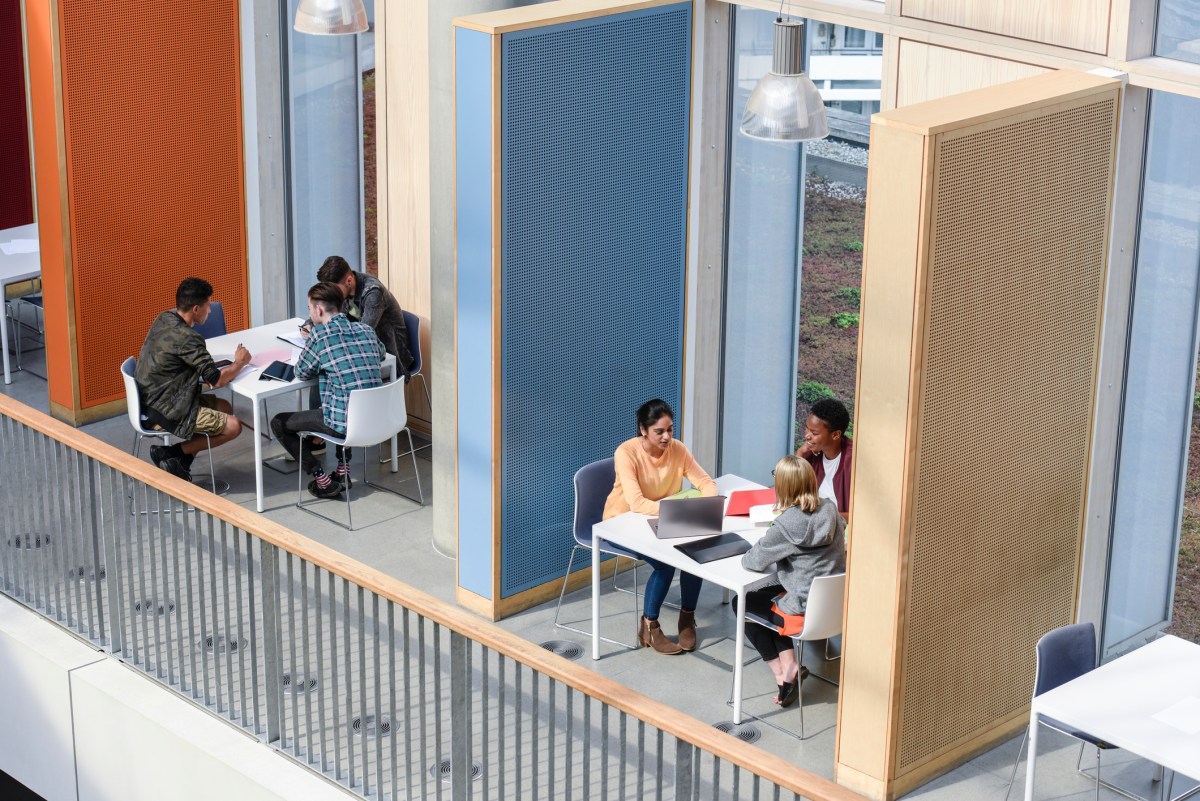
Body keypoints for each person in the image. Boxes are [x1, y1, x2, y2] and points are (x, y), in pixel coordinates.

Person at [602, 399, 717, 655]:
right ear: (643, 430)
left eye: (670, 430)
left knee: (694, 553)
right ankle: (649, 626)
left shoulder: (678, 449)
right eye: (659, 432)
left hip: (663, 518)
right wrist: (681, 511)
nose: (667, 437)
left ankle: (687, 617)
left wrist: (707, 502)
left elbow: (705, 481)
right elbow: (637, 503)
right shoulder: (626, 452)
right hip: (621, 523)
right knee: (665, 565)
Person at [737, 455, 846, 707]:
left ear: (783, 487)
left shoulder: (787, 524)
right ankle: (791, 667)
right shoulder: (830, 508)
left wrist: (775, 530)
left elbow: (752, 561)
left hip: (802, 610)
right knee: (768, 600)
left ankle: (781, 671)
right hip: (832, 608)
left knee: (743, 603)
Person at [270, 282, 386, 499]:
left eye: (309, 309)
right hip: (377, 419)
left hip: (345, 425)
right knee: (346, 392)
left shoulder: (319, 336)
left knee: (279, 422)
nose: (310, 313)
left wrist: (315, 348)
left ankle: (322, 480)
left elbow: (302, 372)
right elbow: (380, 354)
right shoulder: (366, 329)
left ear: (319, 310)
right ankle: (343, 472)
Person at [136, 278, 251, 482]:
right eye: (208, 306)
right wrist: (240, 362)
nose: (210, 311)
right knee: (234, 426)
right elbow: (216, 381)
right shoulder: (189, 338)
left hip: (152, 401)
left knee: (224, 407)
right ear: (196, 309)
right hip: (167, 411)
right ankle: (173, 453)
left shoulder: (164, 318)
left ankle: (181, 462)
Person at [311, 255, 415, 376]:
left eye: (335, 289)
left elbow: (362, 335)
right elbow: (325, 308)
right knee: (324, 366)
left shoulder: (373, 293)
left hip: (391, 356)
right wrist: (309, 324)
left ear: (349, 281)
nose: (332, 295)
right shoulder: (343, 289)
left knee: (327, 370)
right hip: (364, 350)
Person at [795, 397, 853, 516]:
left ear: (836, 435)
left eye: (814, 433)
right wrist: (800, 454)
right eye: (807, 429)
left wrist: (822, 516)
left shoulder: (854, 460)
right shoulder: (810, 454)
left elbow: (862, 516)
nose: (807, 436)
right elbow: (794, 496)